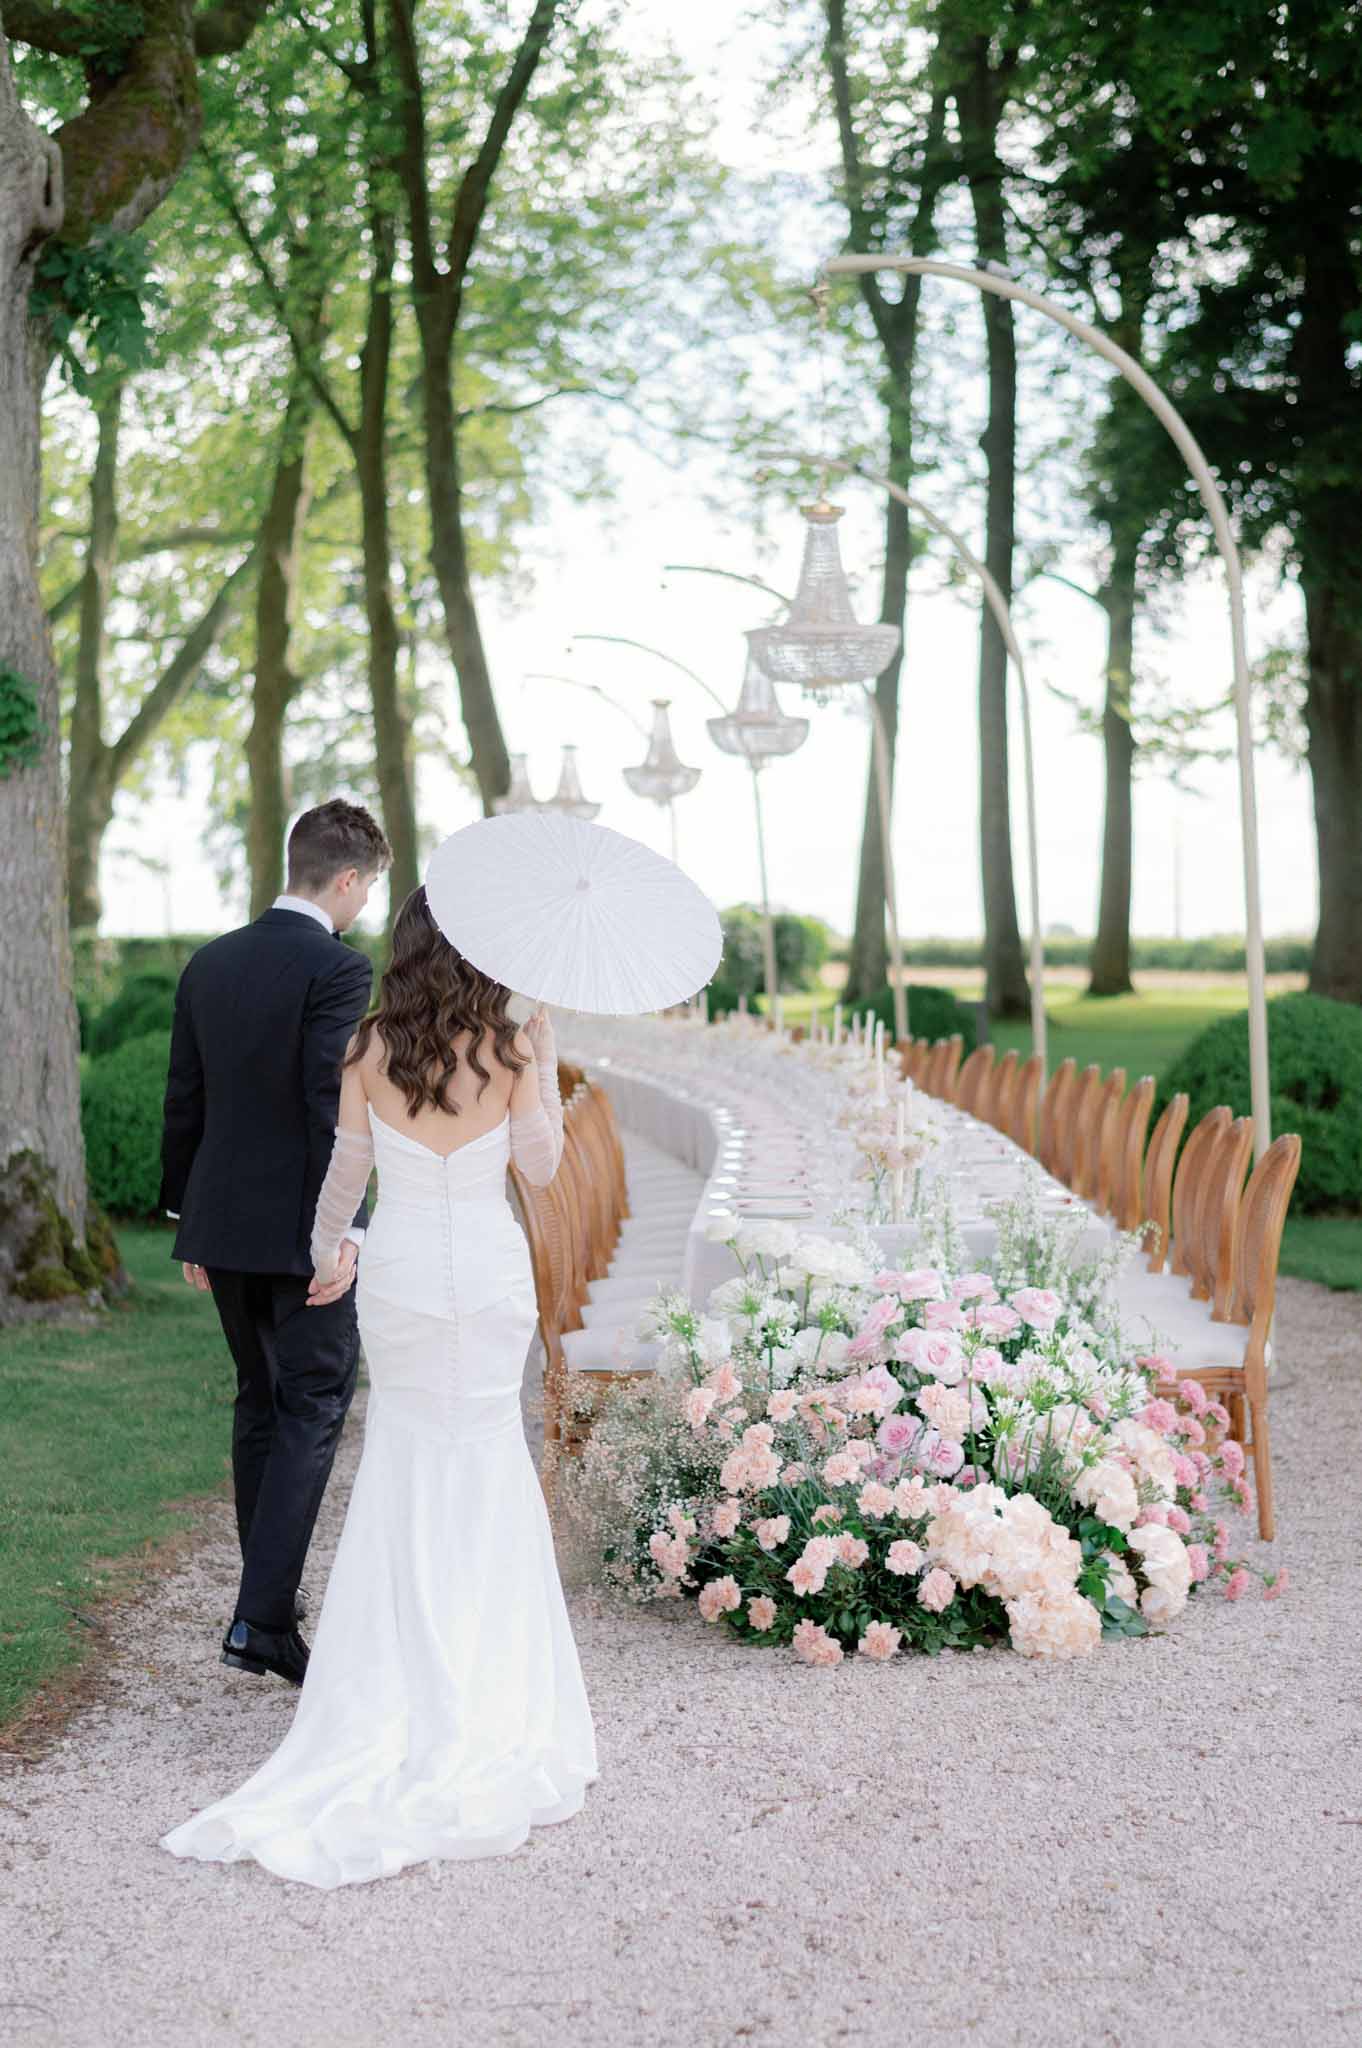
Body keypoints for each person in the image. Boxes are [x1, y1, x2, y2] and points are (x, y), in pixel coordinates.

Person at [161, 885, 597, 1884]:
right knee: (488, 1458)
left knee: (402, 1457)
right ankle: (491, 1687)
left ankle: (391, 1681)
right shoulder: (514, 1043)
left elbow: (343, 1176)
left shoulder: (363, 1048)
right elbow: (541, 1168)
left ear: (402, 948)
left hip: (397, 1279)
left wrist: (327, 1254)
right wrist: (546, 1055)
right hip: (488, 1282)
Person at [160, 798, 392, 1687]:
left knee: (260, 1402)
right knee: (314, 1405)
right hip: (303, 1232)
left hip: (222, 1222)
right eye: (366, 886)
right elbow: (326, 1106)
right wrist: (341, 1234)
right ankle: (260, 1622)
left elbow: (187, 1096)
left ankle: (267, 1613)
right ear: (344, 879)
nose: (365, 902)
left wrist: (188, 1215)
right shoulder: (336, 968)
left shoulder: (209, 961)